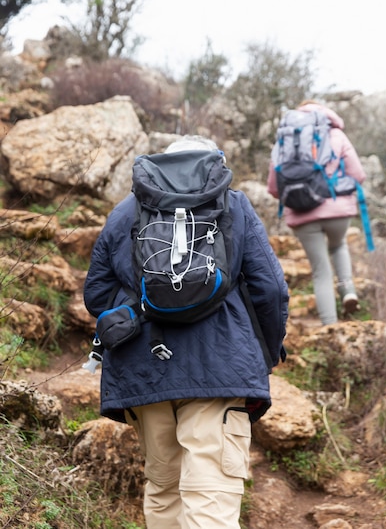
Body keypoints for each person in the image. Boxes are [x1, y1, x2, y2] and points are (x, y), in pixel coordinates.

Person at [84, 134, 288, 529]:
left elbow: (96, 295)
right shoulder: (235, 205)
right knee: (209, 498)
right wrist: (266, 350)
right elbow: (271, 289)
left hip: (145, 369)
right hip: (221, 367)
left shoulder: (124, 212)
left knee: (164, 493)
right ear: (211, 162)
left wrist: (141, 309)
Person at [267, 101, 366, 325]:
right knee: (338, 245)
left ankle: (329, 326)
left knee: (320, 270)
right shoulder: (336, 134)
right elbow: (358, 174)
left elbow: (274, 187)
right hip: (338, 209)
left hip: (302, 214)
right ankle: (348, 290)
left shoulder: (285, 138)